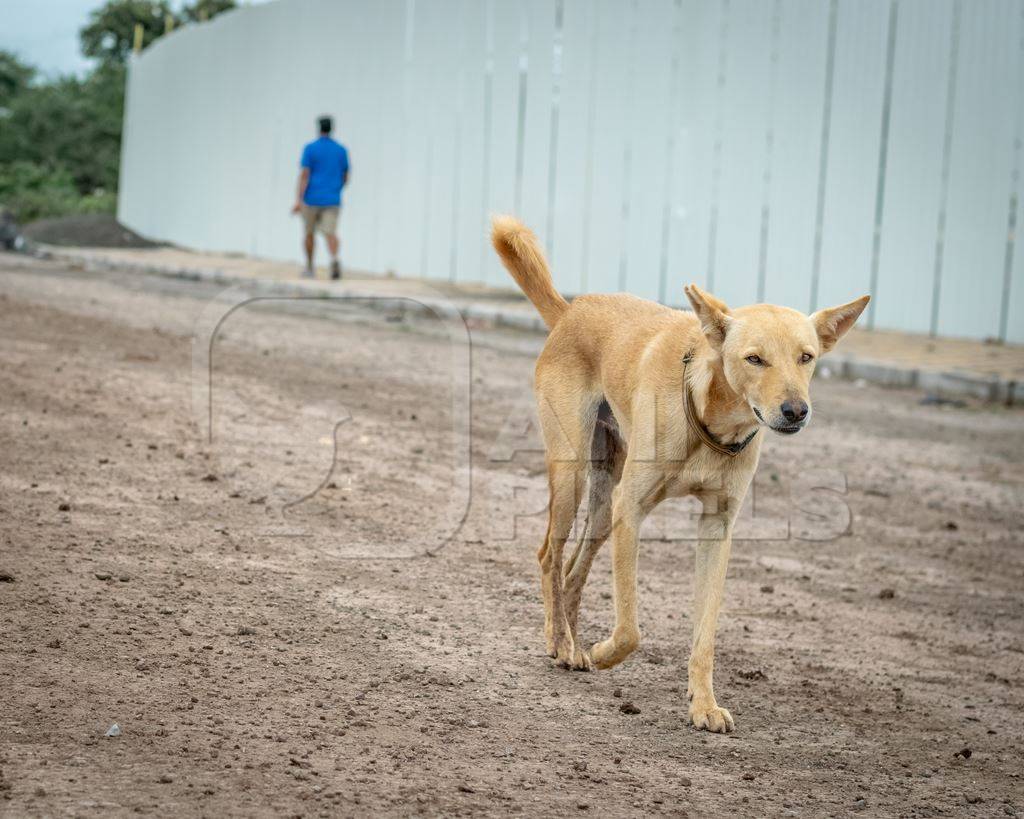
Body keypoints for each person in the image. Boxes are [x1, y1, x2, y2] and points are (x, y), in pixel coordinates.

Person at [292, 116, 350, 279]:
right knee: (330, 233)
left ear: (319, 128)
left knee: (309, 233)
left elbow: (304, 175)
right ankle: (334, 260)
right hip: (332, 199)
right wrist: (336, 189)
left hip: (311, 199)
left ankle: (310, 267)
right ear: (332, 128)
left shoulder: (310, 148)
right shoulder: (341, 150)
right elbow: (346, 176)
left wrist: (298, 200)